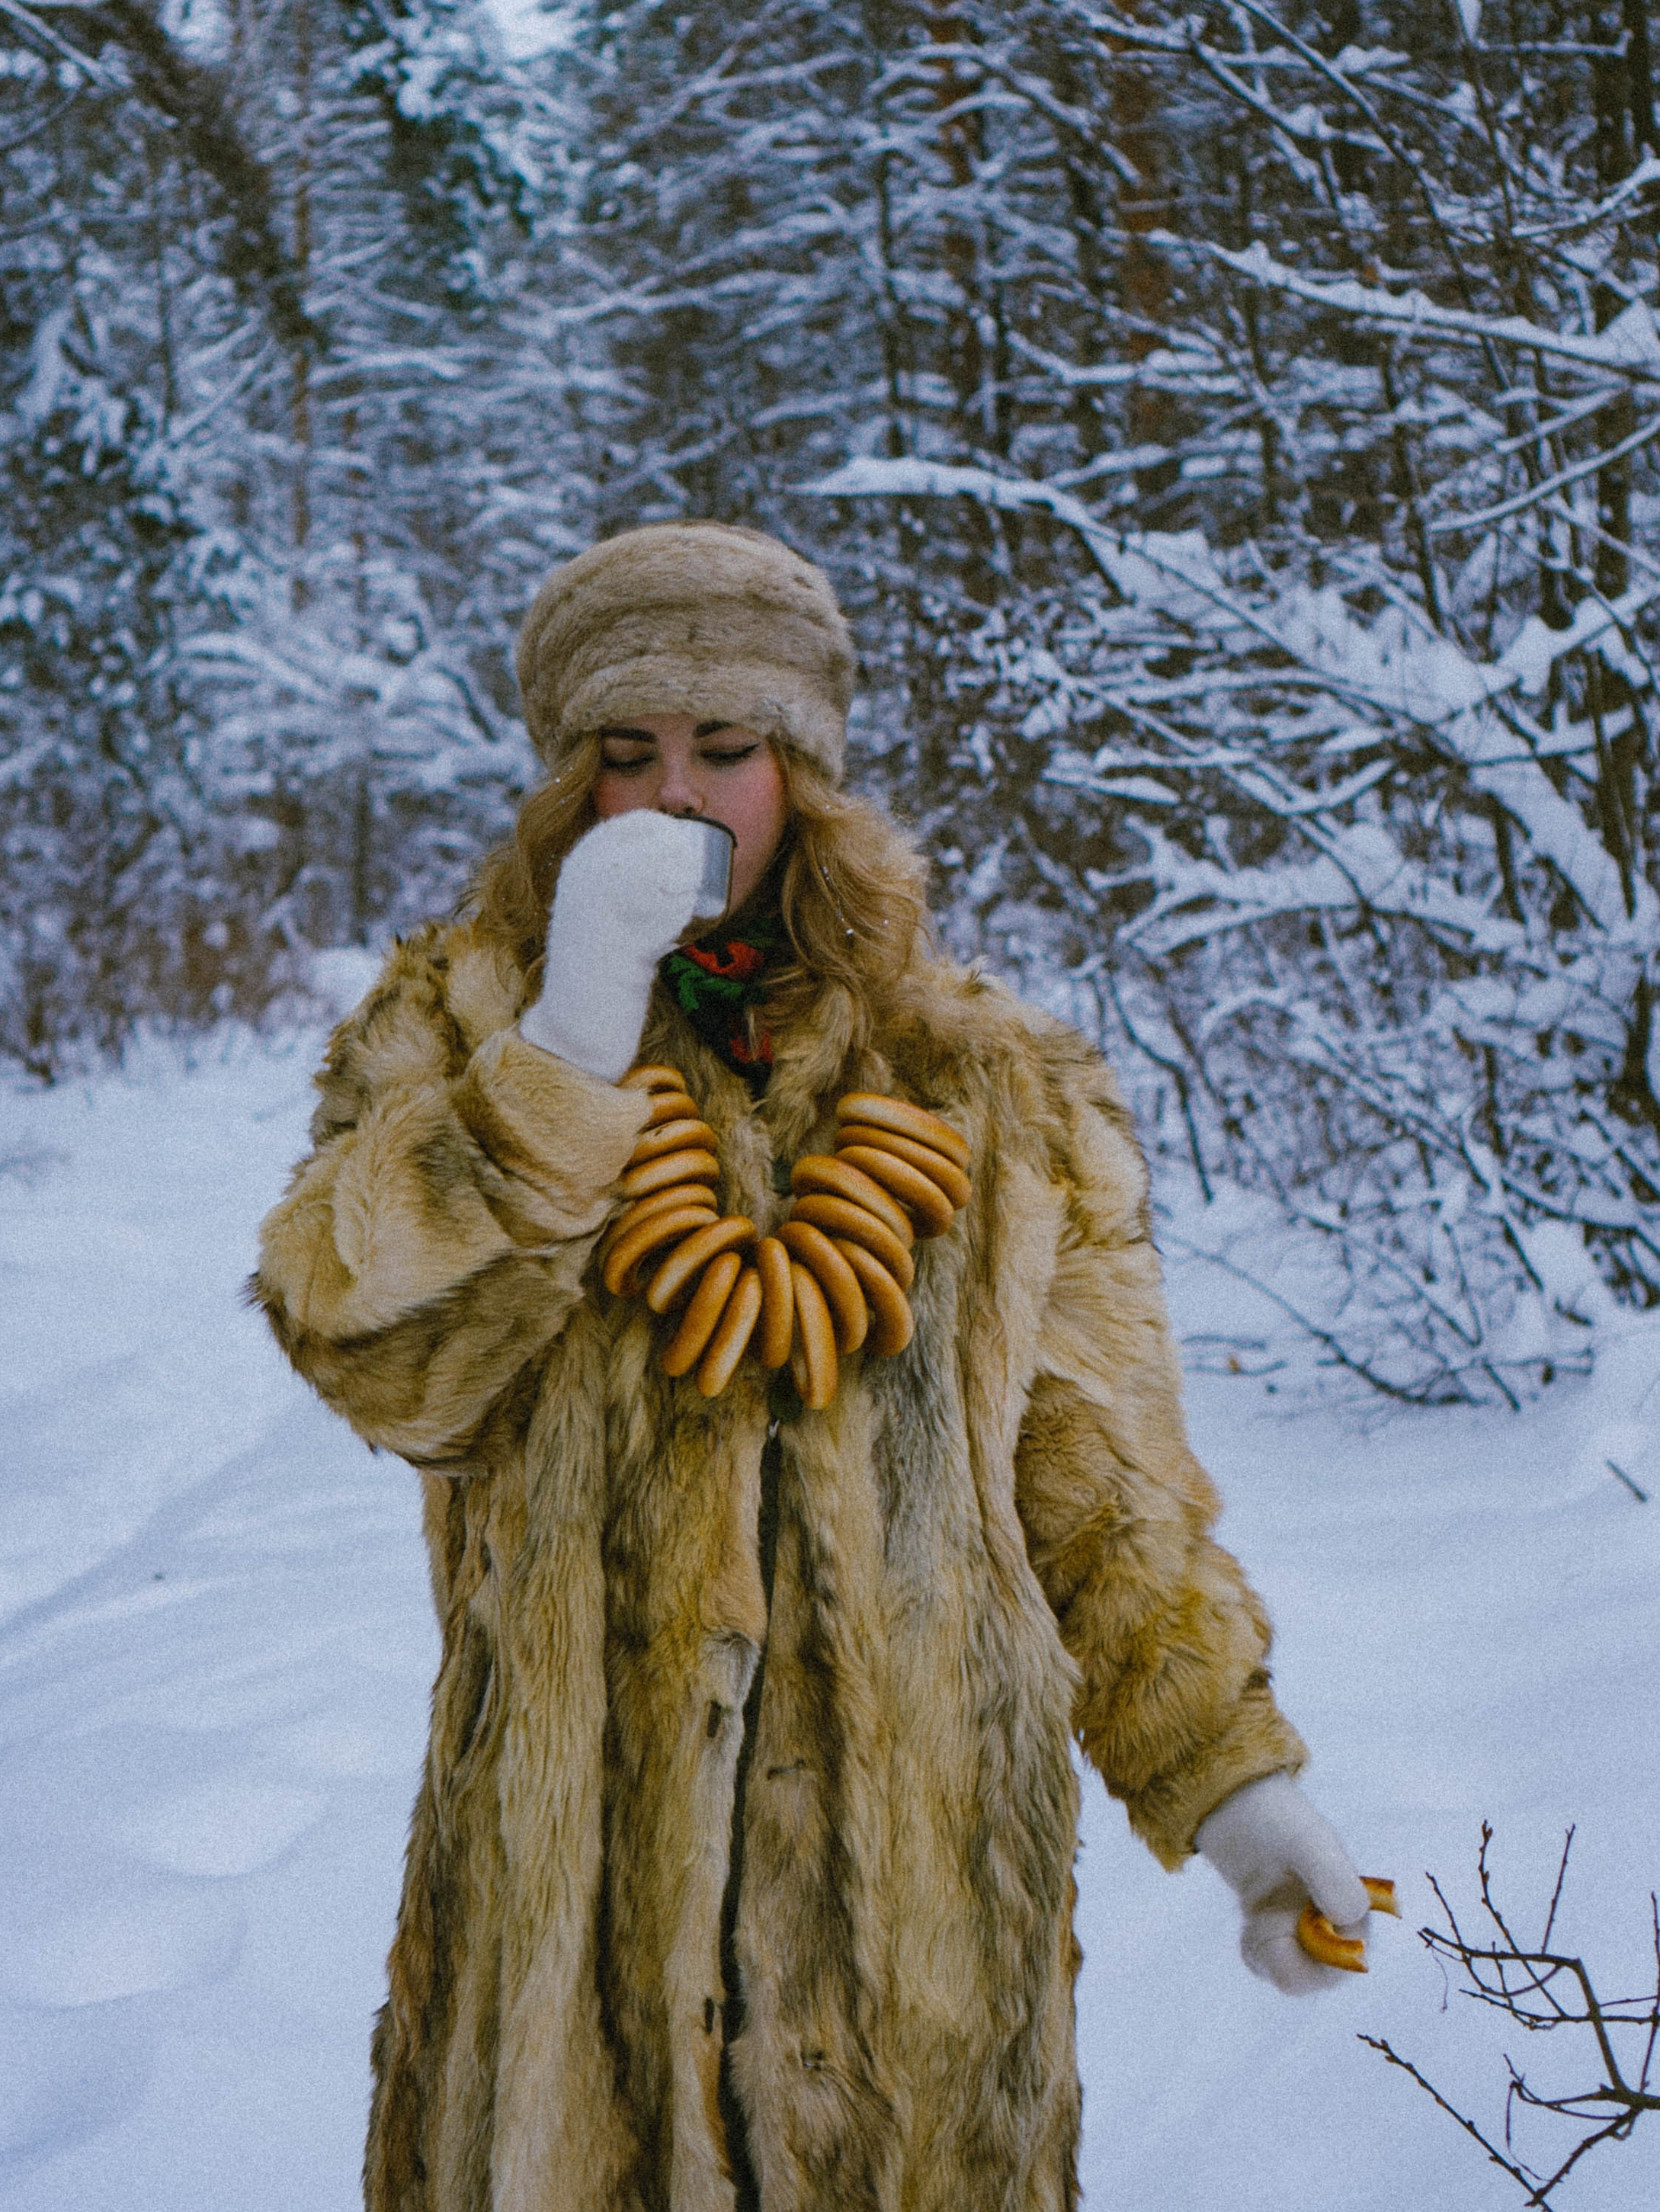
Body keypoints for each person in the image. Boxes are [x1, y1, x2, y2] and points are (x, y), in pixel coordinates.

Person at [252, 521, 1376, 2212]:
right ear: (570, 788)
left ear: (808, 767)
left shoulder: (991, 1085)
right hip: (572, 1949)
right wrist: (561, 1055)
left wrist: (1232, 1785)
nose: (679, 799)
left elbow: (1095, 1492)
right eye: (626, 756)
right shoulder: (458, 1033)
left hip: (912, 1947)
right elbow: (374, 1357)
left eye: (727, 750)